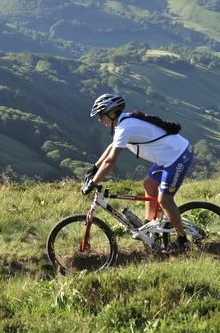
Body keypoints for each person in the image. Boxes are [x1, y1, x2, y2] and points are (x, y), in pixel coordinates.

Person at [83, 93, 195, 252]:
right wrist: (94, 167)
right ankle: (149, 224)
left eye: (101, 115)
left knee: (165, 200)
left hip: (178, 155)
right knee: (149, 184)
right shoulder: (122, 123)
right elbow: (111, 147)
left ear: (112, 113)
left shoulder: (124, 127)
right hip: (166, 157)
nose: (100, 119)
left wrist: (93, 182)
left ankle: (182, 239)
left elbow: (110, 161)